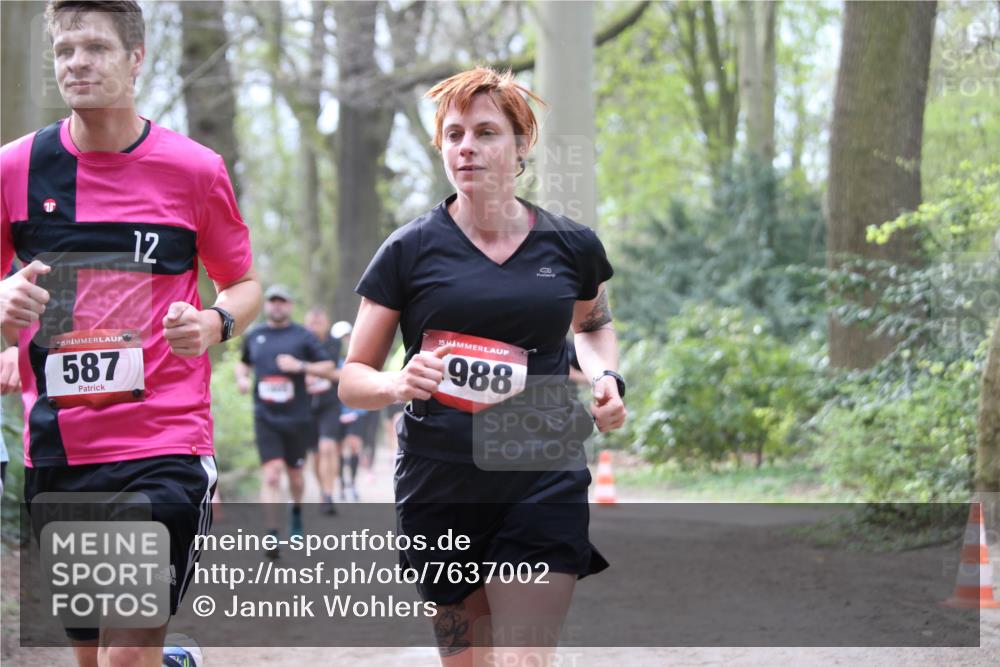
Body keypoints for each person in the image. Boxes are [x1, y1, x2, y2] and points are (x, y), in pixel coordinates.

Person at [0, 2, 261, 665]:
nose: (78, 63)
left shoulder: (194, 170)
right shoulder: (15, 171)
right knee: (91, 653)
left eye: (96, 47)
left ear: (136, 57)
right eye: (64, 50)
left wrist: (211, 321)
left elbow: (244, 284)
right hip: (59, 445)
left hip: (164, 442)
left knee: (125, 649)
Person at [339, 67, 627, 665]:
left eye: (486, 132)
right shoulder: (408, 250)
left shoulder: (572, 246)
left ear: (521, 146)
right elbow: (353, 378)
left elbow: (593, 326)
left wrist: (605, 378)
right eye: (453, 134)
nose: (466, 146)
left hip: (541, 471)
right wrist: (397, 381)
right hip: (439, 481)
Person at [236, 285, 334, 553]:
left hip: (297, 418)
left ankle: (297, 513)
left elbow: (328, 368)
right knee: (271, 475)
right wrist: (242, 377)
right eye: (272, 301)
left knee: (296, 477)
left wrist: (300, 366)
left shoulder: (302, 336)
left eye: (282, 301)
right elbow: (243, 363)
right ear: (266, 305)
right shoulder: (255, 336)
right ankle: (272, 533)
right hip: (265, 417)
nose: (277, 306)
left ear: (290, 305)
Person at [303, 306, 342, 514]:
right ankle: (323, 490)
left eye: (318, 322)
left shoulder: (335, 344)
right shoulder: (300, 344)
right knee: (316, 455)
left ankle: (328, 493)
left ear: (326, 323)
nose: (314, 326)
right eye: (311, 322)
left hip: (329, 403)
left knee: (328, 447)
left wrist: (319, 372)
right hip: (307, 405)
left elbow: (343, 373)